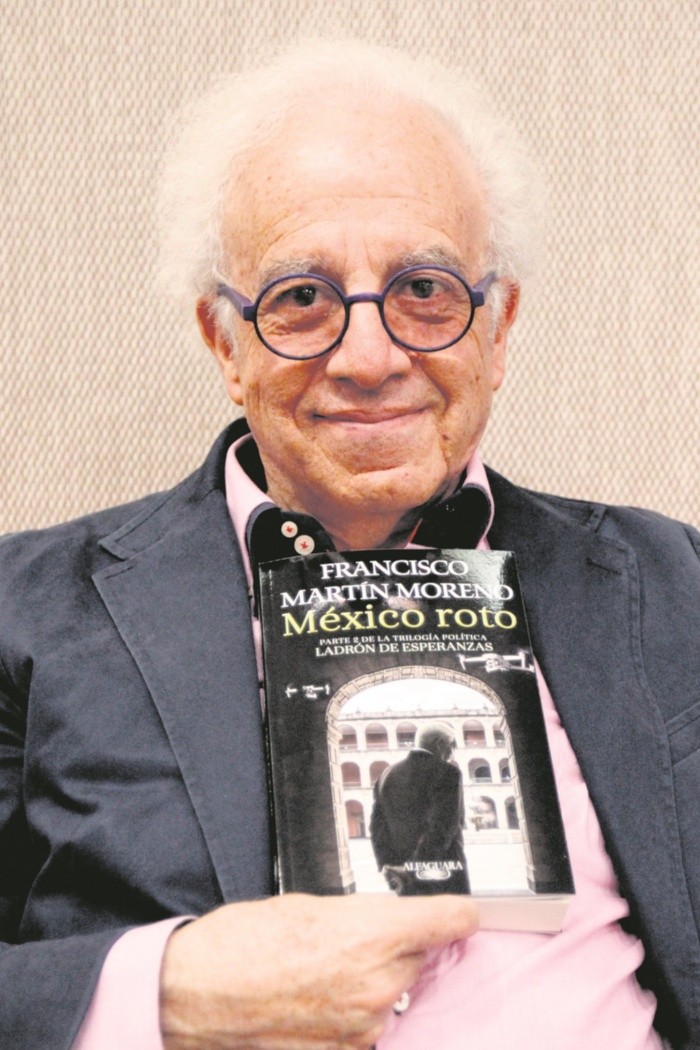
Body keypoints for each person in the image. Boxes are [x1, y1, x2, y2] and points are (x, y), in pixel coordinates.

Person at [0, 38, 697, 1050]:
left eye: (424, 289)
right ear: (223, 341)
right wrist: (162, 991)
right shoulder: (24, 612)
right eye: (301, 299)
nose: (369, 357)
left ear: (498, 327)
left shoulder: (674, 583)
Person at [370, 725, 470, 895]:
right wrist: (414, 868)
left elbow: (377, 826)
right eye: (452, 746)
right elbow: (443, 826)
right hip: (443, 870)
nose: (453, 753)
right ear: (439, 743)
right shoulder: (448, 772)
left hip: (401, 875)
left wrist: (388, 865)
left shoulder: (387, 774)